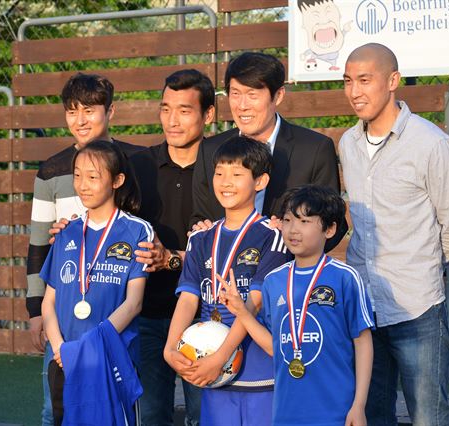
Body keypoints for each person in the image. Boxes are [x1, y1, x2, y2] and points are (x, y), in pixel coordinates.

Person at [339, 43, 449, 426]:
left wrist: (423, 265)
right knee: (372, 413)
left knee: (428, 417)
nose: (355, 91)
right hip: (364, 306)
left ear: (393, 81)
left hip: (416, 308)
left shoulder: (431, 143)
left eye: (365, 80)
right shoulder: (348, 143)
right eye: (348, 81)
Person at [26, 73, 144, 426]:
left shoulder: (136, 162)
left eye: (89, 110)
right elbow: (38, 244)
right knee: (55, 408)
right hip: (63, 315)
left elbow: (142, 231)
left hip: (114, 314)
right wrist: (36, 310)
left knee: (118, 405)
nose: (80, 120)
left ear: (111, 112)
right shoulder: (50, 172)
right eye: (72, 111)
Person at [219, 184, 375, 426]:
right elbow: (275, 346)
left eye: (304, 222)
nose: (293, 230)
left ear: (330, 229)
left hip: (336, 412)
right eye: (288, 220)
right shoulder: (274, 280)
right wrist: (242, 311)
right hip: (286, 412)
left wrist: (359, 405)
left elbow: (363, 341)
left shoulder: (345, 277)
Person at [164, 136, 291, 426]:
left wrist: (221, 357)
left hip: (258, 376)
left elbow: (255, 303)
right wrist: (169, 348)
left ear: (260, 181)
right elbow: (188, 298)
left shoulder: (273, 237)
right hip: (214, 378)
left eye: (237, 174)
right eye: (220, 173)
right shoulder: (200, 238)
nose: (226, 182)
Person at [40, 140, 153, 425]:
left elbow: (134, 302)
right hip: (65, 357)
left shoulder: (137, 230)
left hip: (110, 356)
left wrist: (94, 344)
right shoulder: (66, 232)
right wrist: (60, 349)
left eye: (93, 176)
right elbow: (48, 302)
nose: (83, 185)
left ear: (117, 180)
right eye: (77, 175)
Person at [191, 51, 347, 251]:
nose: (242, 106)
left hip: (287, 275)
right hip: (223, 274)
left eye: (252, 95)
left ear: (278, 95)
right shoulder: (210, 149)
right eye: (235, 94)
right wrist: (201, 229)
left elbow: (334, 223)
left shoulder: (314, 149)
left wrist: (293, 239)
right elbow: (200, 216)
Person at [129, 69, 215, 426]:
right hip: (146, 314)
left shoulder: (225, 170)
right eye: (166, 109)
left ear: (208, 114)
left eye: (184, 110)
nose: (172, 121)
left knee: (204, 416)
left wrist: (173, 260)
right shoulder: (137, 166)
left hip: (206, 317)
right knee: (150, 416)